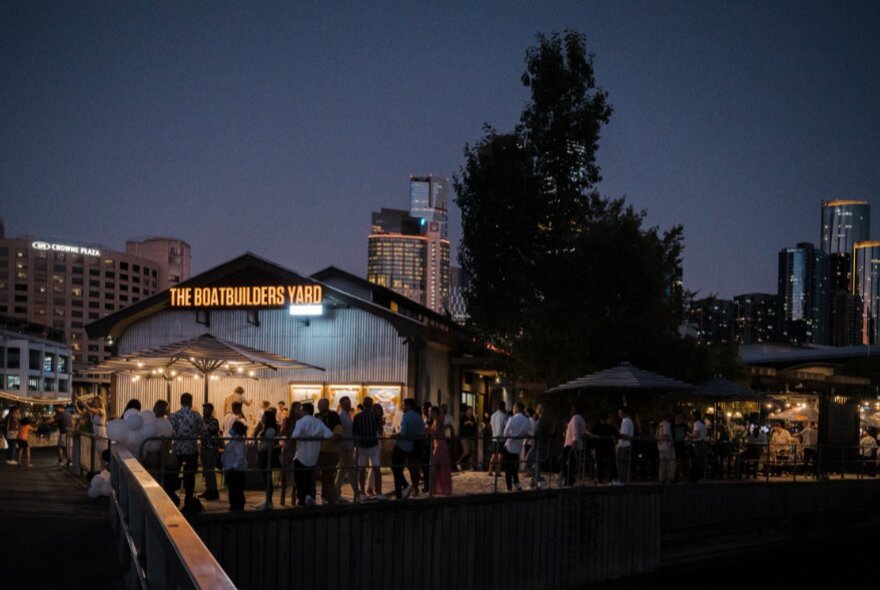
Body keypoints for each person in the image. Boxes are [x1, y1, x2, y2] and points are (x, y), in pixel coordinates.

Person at [167, 392, 206, 511]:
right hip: (191, 449)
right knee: (190, 474)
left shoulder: (173, 416)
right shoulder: (196, 415)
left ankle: (171, 496)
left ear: (180, 401)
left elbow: (169, 432)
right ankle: (188, 499)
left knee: (174, 473)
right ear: (191, 402)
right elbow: (202, 431)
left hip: (177, 448)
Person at [290, 402, 333, 506]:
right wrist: (317, 437)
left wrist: (305, 437)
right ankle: (309, 496)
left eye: (300, 409)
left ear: (304, 410)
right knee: (309, 478)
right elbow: (329, 434)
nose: (299, 411)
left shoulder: (300, 422)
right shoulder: (318, 422)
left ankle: (302, 498)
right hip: (314, 456)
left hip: (301, 455)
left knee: (300, 478)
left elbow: (294, 435)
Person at [392, 398, 425, 499]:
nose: (402, 407)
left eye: (403, 405)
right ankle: (400, 492)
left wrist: (395, 436)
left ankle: (405, 487)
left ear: (408, 405)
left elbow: (403, 432)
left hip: (401, 445)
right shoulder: (418, 417)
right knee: (398, 469)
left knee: (395, 467)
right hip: (410, 446)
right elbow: (421, 432)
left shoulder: (406, 416)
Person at [353, 396, 384, 499]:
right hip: (373, 446)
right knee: (376, 469)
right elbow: (380, 431)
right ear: (371, 405)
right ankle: (379, 492)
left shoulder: (357, 417)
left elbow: (354, 433)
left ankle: (362, 493)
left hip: (362, 446)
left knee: (362, 470)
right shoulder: (375, 417)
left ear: (363, 404)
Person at [316, 398, 343, 504]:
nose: (318, 407)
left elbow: (338, 432)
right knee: (328, 475)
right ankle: (328, 496)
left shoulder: (333, 416)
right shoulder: (318, 416)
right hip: (323, 449)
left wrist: (331, 439)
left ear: (326, 405)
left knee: (327, 475)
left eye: (319, 405)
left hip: (330, 450)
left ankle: (330, 497)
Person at [334, 396, 359, 501]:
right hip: (345, 448)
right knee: (351, 471)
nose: (349, 405)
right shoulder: (342, 416)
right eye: (346, 403)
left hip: (347, 447)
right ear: (342, 405)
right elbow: (343, 433)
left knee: (342, 471)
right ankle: (357, 493)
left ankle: (335, 492)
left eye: (349, 403)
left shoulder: (346, 415)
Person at [502, 402, 531, 492]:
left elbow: (505, 434)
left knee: (508, 468)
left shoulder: (512, 419)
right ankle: (517, 485)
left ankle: (509, 487)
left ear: (518, 408)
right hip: (518, 447)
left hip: (509, 446)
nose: (513, 410)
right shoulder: (527, 421)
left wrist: (512, 434)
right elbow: (528, 432)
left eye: (514, 408)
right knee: (514, 468)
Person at [222, 421, 248, 511]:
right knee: (234, 490)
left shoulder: (238, 441)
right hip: (232, 469)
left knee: (235, 490)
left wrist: (234, 467)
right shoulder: (235, 440)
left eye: (232, 427)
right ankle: (235, 506)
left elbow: (240, 456)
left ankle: (237, 508)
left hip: (236, 470)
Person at [198, 403, 221, 501]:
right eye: (203, 409)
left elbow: (208, 431)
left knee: (210, 470)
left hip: (211, 448)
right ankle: (208, 489)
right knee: (205, 471)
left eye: (206, 409)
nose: (204, 411)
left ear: (211, 410)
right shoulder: (202, 420)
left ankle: (214, 491)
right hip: (204, 447)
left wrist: (201, 429)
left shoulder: (214, 421)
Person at [256, 409, 279, 509]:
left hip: (266, 454)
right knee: (265, 477)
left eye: (264, 416)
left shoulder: (270, 430)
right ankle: (267, 499)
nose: (262, 418)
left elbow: (269, 443)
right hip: (263, 454)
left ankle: (269, 501)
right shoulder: (266, 428)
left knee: (267, 477)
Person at [428, 406, 452, 495]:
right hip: (437, 444)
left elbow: (436, 432)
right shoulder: (436, 420)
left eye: (431, 411)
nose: (429, 413)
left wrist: (428, 431)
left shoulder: (438, 420)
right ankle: (437, 488)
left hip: (440, 445)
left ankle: (434, 489)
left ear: (435, 412)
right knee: (438, 467)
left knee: (435, 467)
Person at [562, 405, 586, 486]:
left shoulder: (575, 418)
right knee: (571, 463)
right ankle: (568, 481)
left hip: (570, 444)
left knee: (561, 460)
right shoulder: (582, 419)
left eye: (572, 410)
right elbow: (582, 432)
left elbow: (575, 431)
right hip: (576, 444)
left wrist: (574, 443)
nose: (570, 411)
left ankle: (570, 478)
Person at [526, 404, 549, 486]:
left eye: (539, 408)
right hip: (540, 444)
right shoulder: (542, 419)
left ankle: (539, 479)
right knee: (536, 464)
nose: (537, 409)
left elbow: (537, 433)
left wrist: (530, 435)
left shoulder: (541, 420)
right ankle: (535, 481)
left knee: (528, 462)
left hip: (538, 444)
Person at [592, 414, 618, 484]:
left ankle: (600, 480)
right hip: (609, 448)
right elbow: (617, 434)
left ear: (600, 420)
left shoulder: (597, 427)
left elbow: (593, 435)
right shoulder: (610, 427)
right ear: (606, 420)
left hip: (599, 448)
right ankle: (612, 479)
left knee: (599, 464)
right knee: (611, 464)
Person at [613, 407, 634, 485]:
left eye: (620, 413)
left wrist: (617, 434)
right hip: (626, 444)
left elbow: (624, 434)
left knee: (621, 463)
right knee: (623, 463)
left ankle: (621, 480)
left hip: (624, 445)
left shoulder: (625, 421)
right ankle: (623, 480)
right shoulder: (629, 421)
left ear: (624, 413)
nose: (619, 415)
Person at [488, 401, 509, 477]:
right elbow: (507, 426)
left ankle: (490, 470)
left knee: (493, 455)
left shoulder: (493, 415)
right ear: (504, 407)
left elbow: (490, 425)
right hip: (501, 438)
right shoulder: (504, 416)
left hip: (494, 437)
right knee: (500, 455)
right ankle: (497, 471)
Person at [689, 410, 709, 482]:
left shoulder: (696, 423)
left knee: (697, 461)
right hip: (703, 443)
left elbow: (697, 435)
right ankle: (703, 476)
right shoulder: (703, 423)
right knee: (702, 461)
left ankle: (697, 476)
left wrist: (690, 436)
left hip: (698, 444)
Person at [656, 414, 675, 483]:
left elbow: (657, 435)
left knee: (662, 463)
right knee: (671, 461)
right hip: (667, 445)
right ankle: (670, 478)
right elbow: (666, 435)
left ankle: (662, 478)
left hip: (660, 445)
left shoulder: (659, 425)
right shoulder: (667, 424)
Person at [458, 405, 477, 470]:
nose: (471, 412)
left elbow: (475, 427)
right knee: (466, 451)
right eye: (470, 410)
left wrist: (472, 424)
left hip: (472, 436)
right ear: (466, 411)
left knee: (472, 451)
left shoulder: (473, 418)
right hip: (464, 436)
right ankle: (458, 462)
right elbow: (461, 427)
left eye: (472, 411)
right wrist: (466, 423)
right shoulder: (463, 418)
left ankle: (471, 466)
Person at [54, 404, 73, 469]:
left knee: (60, 447)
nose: (55, 409)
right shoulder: (69, 413)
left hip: (63, 433)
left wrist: (42, 423)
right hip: (70, 432)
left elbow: (52, 419)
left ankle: (61, 462)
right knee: (68, 448)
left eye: (55, 407)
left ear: (59, 408)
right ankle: (69, 462)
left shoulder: (61, 414)